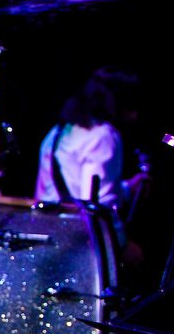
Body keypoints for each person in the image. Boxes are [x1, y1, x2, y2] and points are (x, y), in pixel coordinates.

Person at [34, 66, 148, 262]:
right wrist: (120, 245)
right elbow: (97, 206)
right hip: (77, 248)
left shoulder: (57, 132)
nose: (135, 115)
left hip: (45, 236)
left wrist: (127, 188)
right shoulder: (103, 136)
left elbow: (70, 188)